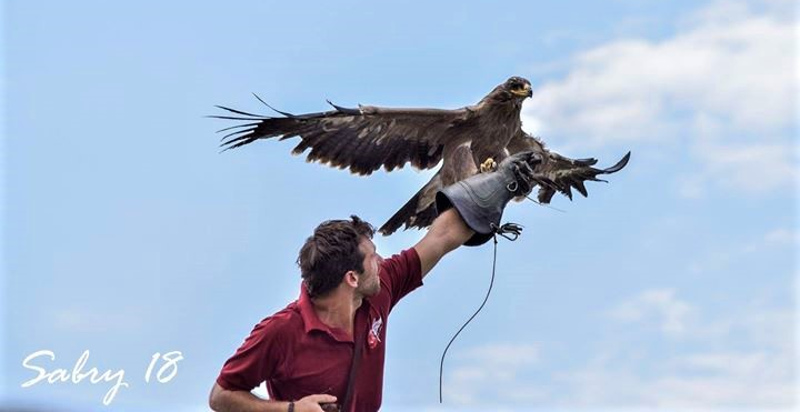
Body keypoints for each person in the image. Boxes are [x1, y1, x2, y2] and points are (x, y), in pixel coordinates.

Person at [209, 152, 541, 412]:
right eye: (373, 257)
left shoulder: (380, 289)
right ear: (351, 278)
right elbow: (221, 396)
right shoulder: (281, 332)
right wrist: (292, 409)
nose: (382, 261)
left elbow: (441, 236)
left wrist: (501, 185)